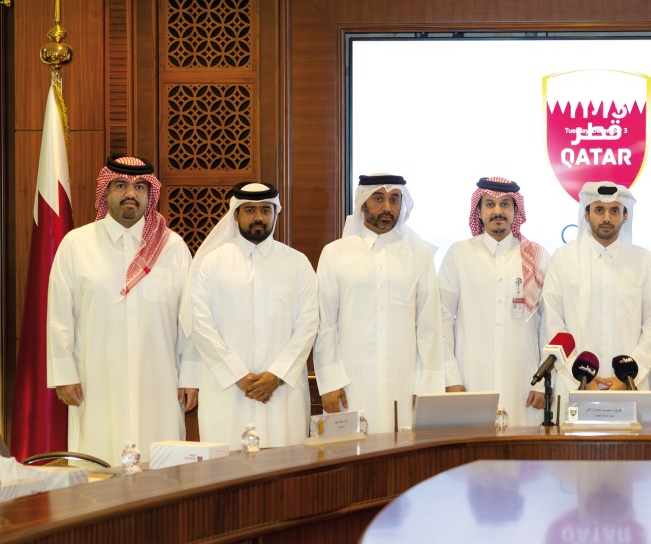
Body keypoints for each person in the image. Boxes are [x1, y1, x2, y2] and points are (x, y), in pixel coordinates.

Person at [46, 156, 198, 465]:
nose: (131, 194)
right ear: (105, 192)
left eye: (140, 187)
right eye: (121, 186)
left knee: (161, 467)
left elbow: (189, 321)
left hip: (159, 381)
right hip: (95, 380)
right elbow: (60, 315)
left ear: (150, 194)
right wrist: (63, 374)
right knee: (97, 465)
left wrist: (191, 376)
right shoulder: (76, 244)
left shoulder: (174, 248)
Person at [181, 182, 319, 449]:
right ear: (235, 214)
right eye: (250, 210)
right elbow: (200, 324)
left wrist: (277, 375)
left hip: (282, 392)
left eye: (266, 210)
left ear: (276, 214)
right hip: (228, 391)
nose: (258, 217)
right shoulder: (212, 263)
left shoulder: (297, 263)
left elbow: (308, 324)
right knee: (227, 467)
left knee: (285, 466)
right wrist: (238, 376)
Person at [314, 174, 444, 432]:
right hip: (350, 382)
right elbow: (324, 323)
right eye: (378, 199)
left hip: (405, 381)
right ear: (363, 204)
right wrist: (329, 381)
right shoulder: (335, 253)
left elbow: (429, 324)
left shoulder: (419, 254)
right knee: (351, 451)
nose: (387, 207)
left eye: (394, 199)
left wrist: (428, 387)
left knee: (403, 450)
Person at [439, 177, 550, 426]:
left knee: (524, 449)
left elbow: (550, 323)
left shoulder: (536, 256)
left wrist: (543, 381)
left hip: (525, 383)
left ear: (516, 211)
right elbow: (442, 319)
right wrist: (451, 378)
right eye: (490, 204)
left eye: (505, 204)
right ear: (478, 211)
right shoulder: (459, 254)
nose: (497, 211)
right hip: (470, 380)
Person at [542, 181, 651, 390]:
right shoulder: (562, 259)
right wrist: (580, 376)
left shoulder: (644, 261)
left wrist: (628, 377)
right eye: (599, 210)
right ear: (586, 215)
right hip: (575, 385)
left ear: (625, 216)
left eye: (614, 211)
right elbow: (553, 324)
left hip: (630, 385)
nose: (607, 218)